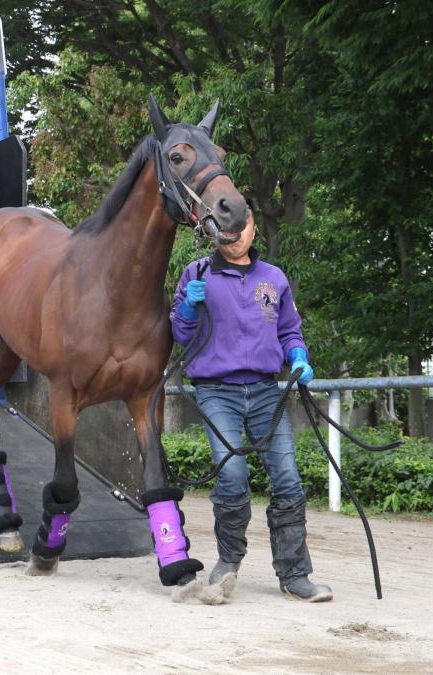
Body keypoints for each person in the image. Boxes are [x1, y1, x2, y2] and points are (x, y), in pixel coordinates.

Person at [170, 204, 332, 602]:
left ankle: (295, 575)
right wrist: (189, 306)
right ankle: (227, 563)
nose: (237, 232)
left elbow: (290, 330)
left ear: (253, 228)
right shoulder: (197, 274)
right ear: (215, 230)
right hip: (216, 391)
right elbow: (180, 332)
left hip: (265, 392)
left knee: (289, 479)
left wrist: (299, 356)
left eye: (243, 225)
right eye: (228, 226)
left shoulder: (273, 278)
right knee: (232, 476)